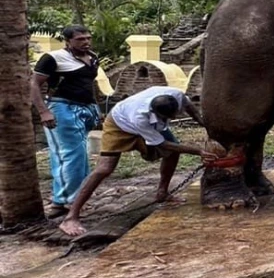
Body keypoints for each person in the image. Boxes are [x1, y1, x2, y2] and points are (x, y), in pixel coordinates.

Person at [58, 85, 219, 238]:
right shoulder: (140, 117)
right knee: (104, 169)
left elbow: (190, 108)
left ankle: (162, 193)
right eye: (166, 118)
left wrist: (205, 125)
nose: (172, 119)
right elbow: (162, 144)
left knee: (172, 154)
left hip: (150, 126)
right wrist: (198, 151)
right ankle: (71, 217)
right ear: (154, 111)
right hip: (119, 124)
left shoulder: (176, 95)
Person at [30, 25, 102, 218]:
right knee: (70, 155)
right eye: (80, 39)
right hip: (62, 108)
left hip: (85, 109)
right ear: (68, 41)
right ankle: (67, 200)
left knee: (78, 155)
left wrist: (96, 108)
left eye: (88, 38)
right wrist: (44, 112)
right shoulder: (53, 58)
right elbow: (35, 84)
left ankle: (69, 199)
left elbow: (89, 84)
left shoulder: (93, 57)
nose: (86, 42)